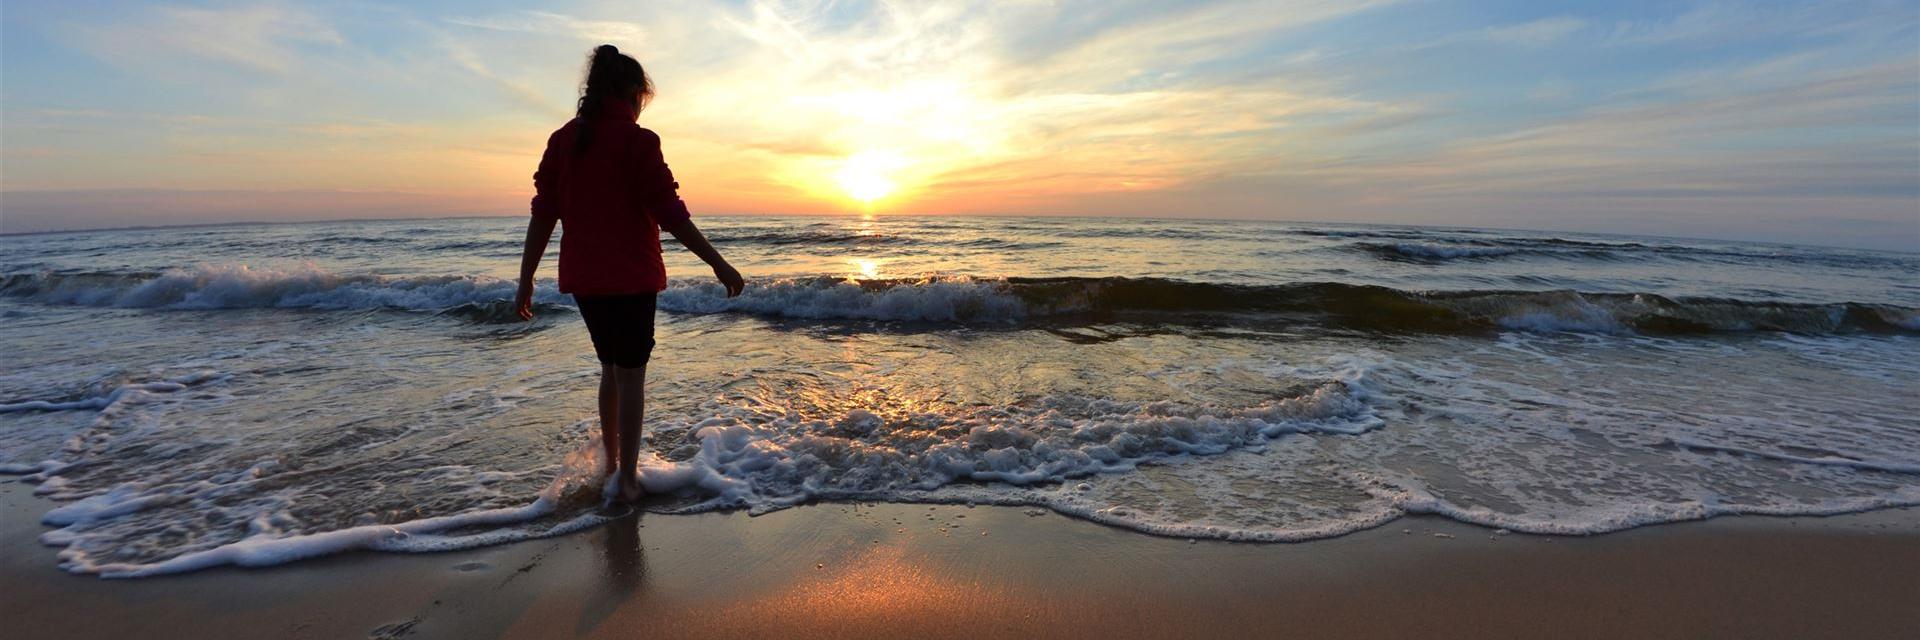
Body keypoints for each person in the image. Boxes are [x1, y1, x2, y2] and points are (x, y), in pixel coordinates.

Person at [513, 44, 745, 503]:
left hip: (585, 280)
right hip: (632, 279)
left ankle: (615, 465)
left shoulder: (563, 141)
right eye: (642, 97)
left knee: (610, 368)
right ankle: (629, 480)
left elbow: (543, 214)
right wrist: (718, 262)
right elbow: (670, 213)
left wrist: (526, 279)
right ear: (632, 94)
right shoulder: (639, 143)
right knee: (631, 375)